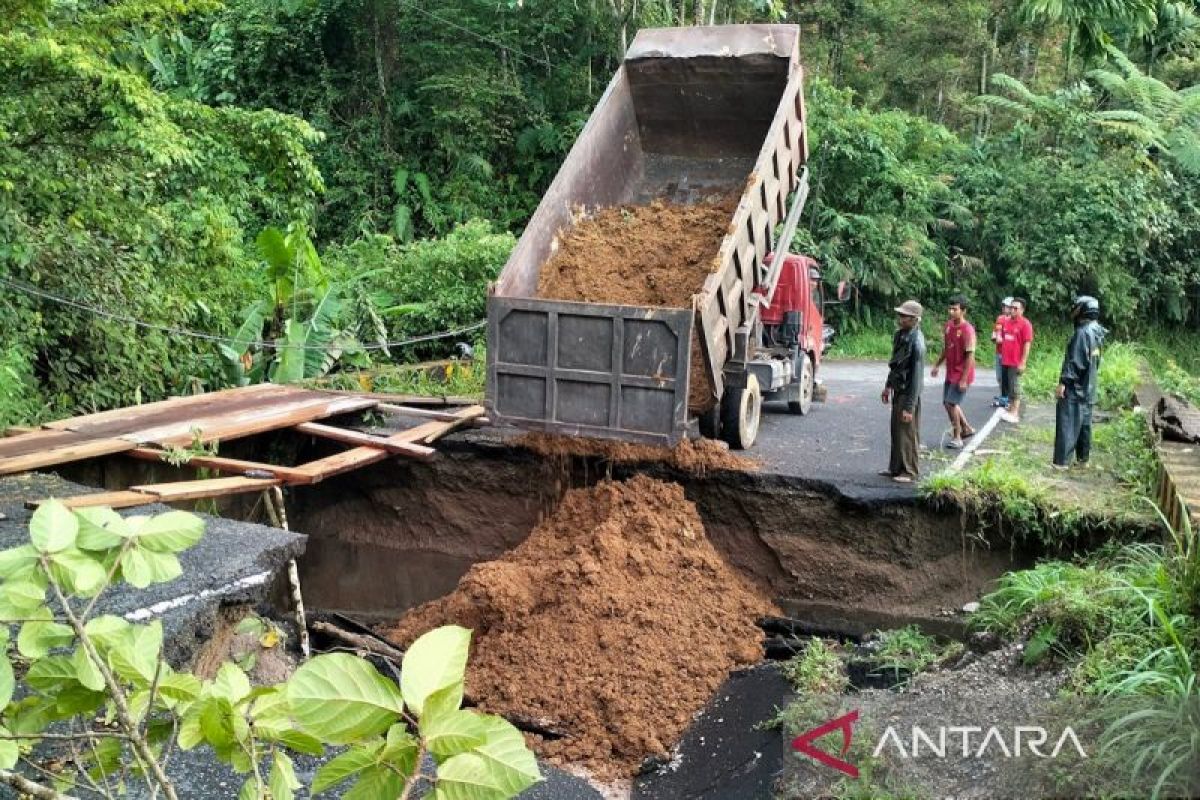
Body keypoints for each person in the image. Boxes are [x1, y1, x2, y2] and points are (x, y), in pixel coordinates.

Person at [1053, 296, 1106, 469]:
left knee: (1067, 423)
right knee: (1084, 424)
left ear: (1083, 309)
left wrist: (1064, 382)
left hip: (1076, 387)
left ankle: (1062, 462)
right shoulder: (1097, 331)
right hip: (1089, 386)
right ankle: (1083, 459)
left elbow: (1076, 361)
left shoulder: (1082, 333)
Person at [880, 300, 926, 483]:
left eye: (904, 316)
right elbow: (895, 365)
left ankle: (909, 471)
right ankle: (895, 467)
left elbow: (916, 378)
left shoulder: (917, 344)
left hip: (908, 393)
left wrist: (910, 406)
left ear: (914, 319)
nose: (900, 318)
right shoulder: (900, 336)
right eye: (900, 315)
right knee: (896, 430)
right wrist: (887, 386)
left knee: (908, 432)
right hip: (898, 390)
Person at [931, 295, 976, 449]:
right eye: (950, 308)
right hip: (951, 371)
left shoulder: (967, 330)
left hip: (962, 373)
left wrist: (964, 379)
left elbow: (970, 356)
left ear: (963, 311)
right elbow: (946, 347)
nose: (951, 312)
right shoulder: (949, 326)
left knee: (951, 403)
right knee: (948, 403)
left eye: (955, 309)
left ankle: (958, 437)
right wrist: (937, 365)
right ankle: (967, 428)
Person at [999, 298, 1033, 424]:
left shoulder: (1025, 324)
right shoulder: (1006, 322)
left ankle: (1015, 412)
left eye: (1015, 308)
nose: (1012, 310)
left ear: (1022, 310)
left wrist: (1023, 362)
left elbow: (1027, 344)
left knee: (1016, 387)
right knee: (1008, 386)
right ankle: (1011, 408)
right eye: (1011, 307)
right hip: (1006, 360)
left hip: (1016, 362)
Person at [991, 298, 1014, 407]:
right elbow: (996, 332)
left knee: (1008, 378)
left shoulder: (1013, 321)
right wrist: (995, 336)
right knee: (999, 377)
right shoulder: (1000, 318)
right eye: (1004, 306)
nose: (1005, 308)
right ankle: (1003, 397)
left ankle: (1008, 398)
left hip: (1008, 353)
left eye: (1007, 307)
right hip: (999, 351)